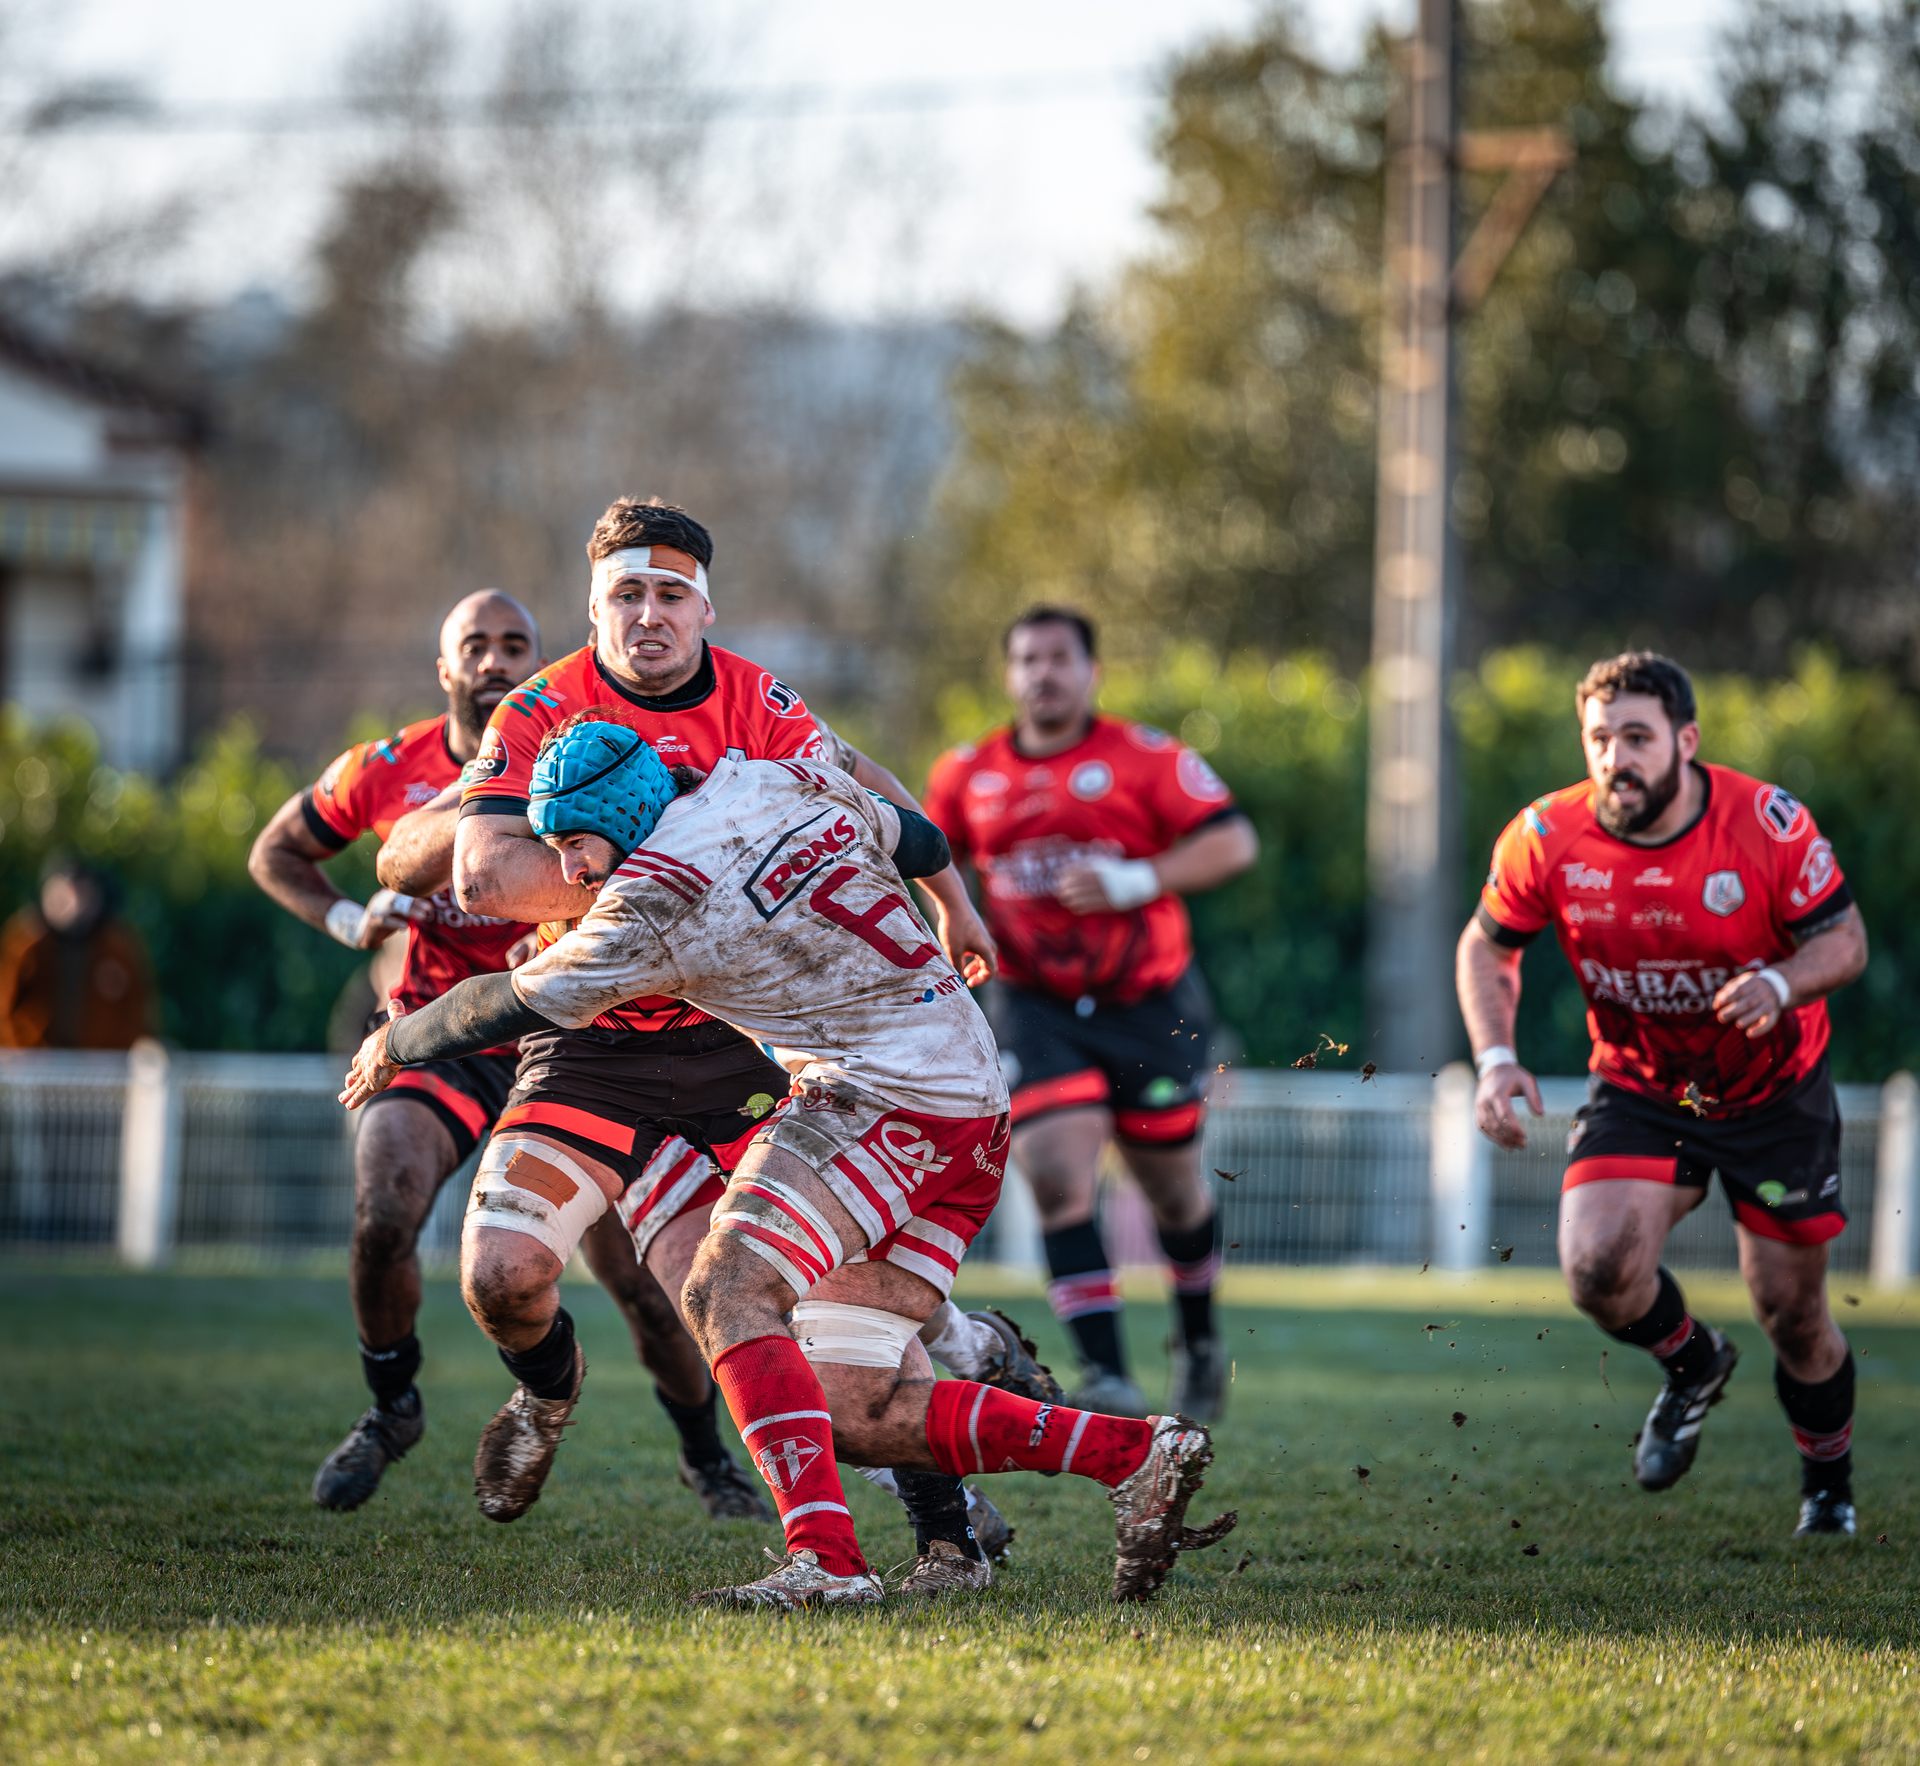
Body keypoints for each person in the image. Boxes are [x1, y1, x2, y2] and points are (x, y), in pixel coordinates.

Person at [342, 721, 1236, 1607]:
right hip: (966, 1094)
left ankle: (828, 1563)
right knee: (856, 1408)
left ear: (619, 814)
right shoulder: (767, 778)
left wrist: (395, 1043)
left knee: (722, 1290)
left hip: (881, 1098)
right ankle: (1137, 1455)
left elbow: (505, 1002)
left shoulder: (649, 900)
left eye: (574, 842)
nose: (568, 872)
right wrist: (952, 911)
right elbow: (917, 836)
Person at [379, 497, 1037, 1568]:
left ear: (704, 607)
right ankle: (547, 1392)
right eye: (627, 594)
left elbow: (859, 787)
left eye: (671, 594)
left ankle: (944, 1524)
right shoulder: (543, 707)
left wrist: (952, 899)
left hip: (737, 1034)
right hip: (588, 1034)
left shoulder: (755, 698)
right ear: (593, 607)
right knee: (502, 1274)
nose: (649, 615)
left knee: (788, 1296)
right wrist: (674, 888)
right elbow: (486, 875)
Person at [1457, 651, 1869, 1537]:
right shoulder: (1546, 834)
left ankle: (1827, 1488)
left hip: (1773, 1096)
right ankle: (1694, 1364)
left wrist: (1781, 983)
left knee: (1793, 1314)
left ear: (1686, 741)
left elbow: (1844, 942)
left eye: (1637, 738)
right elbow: (1486, 945)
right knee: (1597, 1270)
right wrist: (1494, 1059)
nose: (1617, 759)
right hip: (1644, 1088)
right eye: (1600, 739)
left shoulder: (1765, 824)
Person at [248, 590, 547, 1509]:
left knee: (644, 1284)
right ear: (445, 667)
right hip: (436, 1031)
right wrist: (347, 919)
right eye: (476, 644)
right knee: (382, 1211)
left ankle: (702, 1453)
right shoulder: (385, 768)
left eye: (515, 645)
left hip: (562, 1035)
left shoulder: (580, 755)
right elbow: (275, 853)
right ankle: (391, 1407)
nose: (495, 660)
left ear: (539, 665)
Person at [923, 607, 1259, 1419]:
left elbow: (1234, 842)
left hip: (1147, 1003)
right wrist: (949, 926)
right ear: (1009, 674)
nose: (1044, 673)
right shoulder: (967, 773)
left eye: (1060, 658)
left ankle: (1199, 1342)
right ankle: (1107, 1374)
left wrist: (1139, 879)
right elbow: (934, 862)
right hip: (1034, 1003)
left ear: (1090, 671)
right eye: (1028, 659)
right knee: (1056, 1177)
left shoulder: (1145, 757)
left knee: (1173, 1191)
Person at [0, 857, 153, 1049]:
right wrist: (15, 1050)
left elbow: (138, 1010)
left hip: (100, 1061)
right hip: (34, 1060)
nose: (74, 907)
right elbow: (4, 1003)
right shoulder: (25, 942)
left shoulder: (117, 946)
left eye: (83, 896)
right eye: (63, 897)